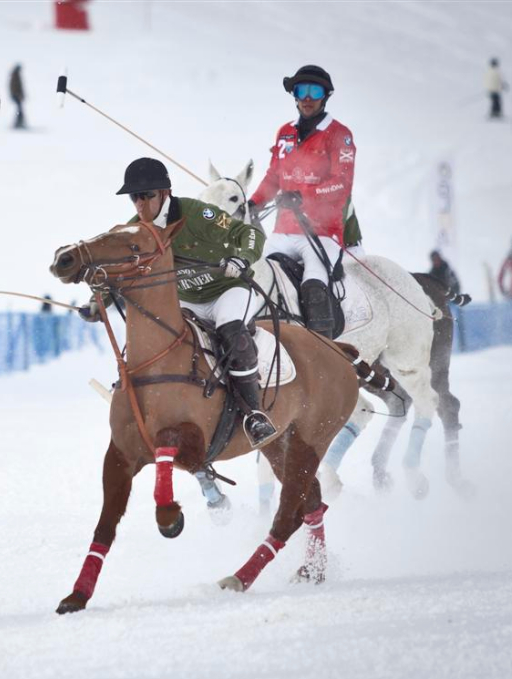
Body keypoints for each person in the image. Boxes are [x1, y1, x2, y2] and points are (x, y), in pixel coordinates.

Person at [86, 157, 276, 447]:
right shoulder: (134, 230)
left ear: (165, 193)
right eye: (135, 197)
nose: (140, 204)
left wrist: (242, 258)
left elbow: (247, 233)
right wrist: (98, 301)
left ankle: (254, 413)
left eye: (147, 195)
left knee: (231, 331)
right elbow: (117, 271)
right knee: (153, 338)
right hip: (187, 300)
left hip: (226, 291)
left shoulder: (197, 214)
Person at [248, 65, 358, 336]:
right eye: (301, 91)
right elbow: (274, 175)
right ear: (294, 95)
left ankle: (324, 352)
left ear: (325, 96)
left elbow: (341, 183)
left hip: (322, 234)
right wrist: (254, 203)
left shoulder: (339, 135)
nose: (307, 98)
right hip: (283, 233)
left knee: (314, 286)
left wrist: (304, 196)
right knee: (252, 277)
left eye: (314, 91)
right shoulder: (285, 132)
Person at [9, 63, 26, 130]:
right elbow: (15, 86)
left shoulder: (15, 75)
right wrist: (17, 94)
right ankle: (18, 123)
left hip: (16, 95)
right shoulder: (15, 75)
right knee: (19, 109)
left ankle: (19, 122)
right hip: (16, 95)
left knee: (19, 109)